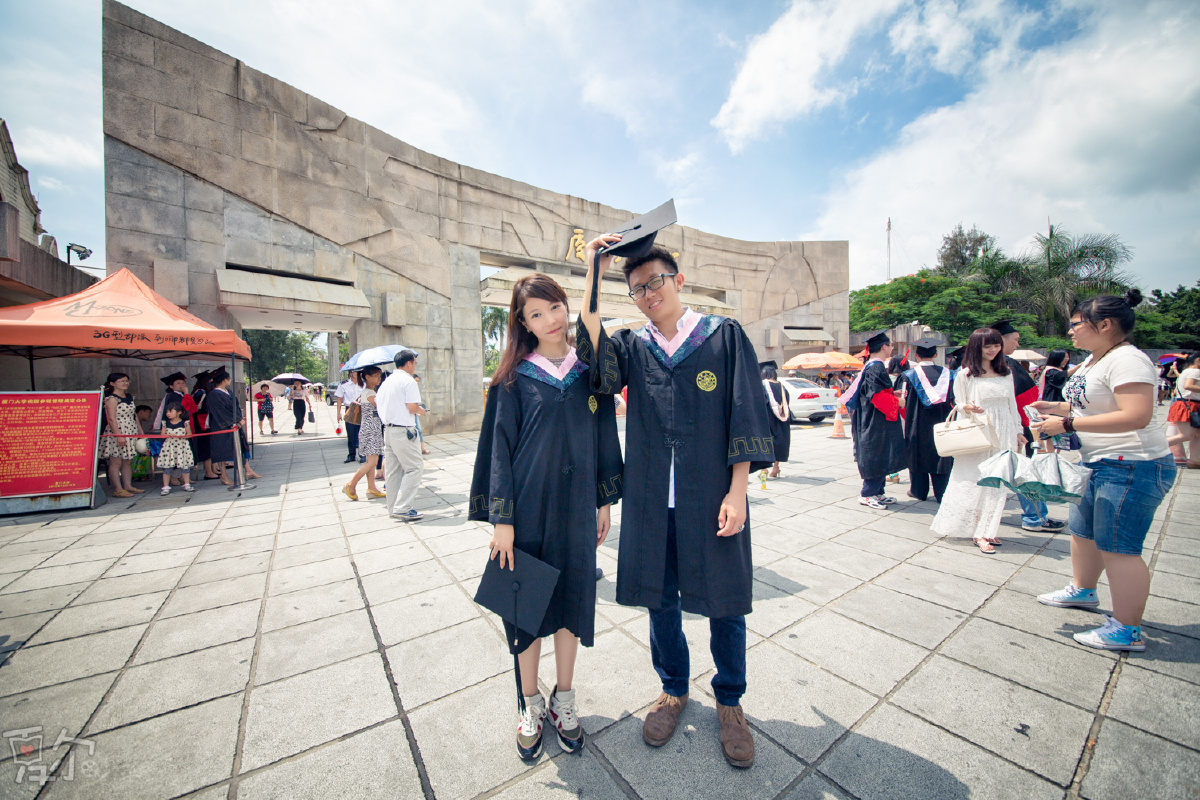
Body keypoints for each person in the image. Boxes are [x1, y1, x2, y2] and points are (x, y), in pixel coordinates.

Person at [580, 237, 772, 769]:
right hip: (651, 501)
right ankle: (672, 689)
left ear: (678, 281)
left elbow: (744, 410)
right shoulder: (632, 346)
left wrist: (738, 491)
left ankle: (730, 701)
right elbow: (592, 355)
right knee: (660, 601)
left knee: (725, 601)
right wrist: (594, 269)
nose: (648, 294)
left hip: (711, 497)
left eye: (656, 282)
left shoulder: (722, 336)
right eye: (637, 288)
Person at [469, 273, 623, 761]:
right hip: (528, 512)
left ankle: (565, 699)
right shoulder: (513, 379)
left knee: (572, 604)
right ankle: (530, 703)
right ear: (523, 322)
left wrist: (603, 500)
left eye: (555, 307)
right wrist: (502, 520)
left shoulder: (588, 372)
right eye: (536, 314)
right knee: (526, 610)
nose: (550, 319)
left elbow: (603, 436)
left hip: (576, 508)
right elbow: (499, 451)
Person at [1032, 292, 1177, 651]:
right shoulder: (1093, 360)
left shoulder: (1128, 360)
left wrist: (1067, 423)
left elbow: (1136, 415)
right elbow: (1092, 405)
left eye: (1076, 324)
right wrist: (1055, 407)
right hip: (1097, 461)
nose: (1070, 331)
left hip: (1131, 464)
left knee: (1119, 547)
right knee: (1083, 532)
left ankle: (1127, 629)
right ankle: (1083, 589)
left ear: (1106, 325)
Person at [931, 328, 1026, 554]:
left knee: (998, 482)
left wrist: (1018, 431)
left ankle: (987, 529)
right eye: (987, 346)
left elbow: (1012, 405)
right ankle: (978, 530)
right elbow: (959, 403)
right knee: (975, 480)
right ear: (977, 348)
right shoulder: (966, 375)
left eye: (996, 345)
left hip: (1004, 431)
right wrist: (968, 407)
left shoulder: (1006, 373)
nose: (993, 350)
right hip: (980, 431)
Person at [992, 320, 1066, 534]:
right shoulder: (1006, 365)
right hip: (1015, 426)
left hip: (999, 427)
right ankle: (1035, 517)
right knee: (1026, 473)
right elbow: (1025, 399)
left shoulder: (983, 364)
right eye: (1015, 339)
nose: (1018, 344)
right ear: (1001, 339)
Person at [844, 331, 907, 509]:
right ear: (884, 346)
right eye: (891, 345)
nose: (892, 349)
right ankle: (868, 494)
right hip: (874, 420)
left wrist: (892, 394)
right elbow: (877, 397)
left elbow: (875, 392)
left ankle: (878, 492)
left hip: (873, 418)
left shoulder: (872, 367)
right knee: (876, 453)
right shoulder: (875, 368)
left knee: (881, 452)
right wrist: (898, 402)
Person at [899, 338, 955, 503]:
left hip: (916, 424)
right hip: (942, 422)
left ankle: (918, 491)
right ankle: (942, 492)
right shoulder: (948, 375)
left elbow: (902, 401)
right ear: (936, 355)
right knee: (941, 454)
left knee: (917, 455)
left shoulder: (908, 376)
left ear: (916, 356)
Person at [377, 350, 427, 521]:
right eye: (415, 363)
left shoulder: (387, 381)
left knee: (393, 472)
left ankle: (393, 508)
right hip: (403, 430)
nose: (415, 367)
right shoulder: (408, 381)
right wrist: (422, 411)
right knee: (415, 467)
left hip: (388, 430)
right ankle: (403, 507)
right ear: (408, 363)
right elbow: (412, 407)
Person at [343, 367, 386, 500]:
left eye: (379, 375)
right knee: (372, 462)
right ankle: (351, 485)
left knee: (371, 461)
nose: (379, 378)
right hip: (371, 430)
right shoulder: (370, 393)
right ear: (367, 377)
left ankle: (371, 488)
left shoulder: (368, 392)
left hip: (370, 429)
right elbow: (382, 407)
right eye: (376, 375)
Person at [99, 373, 142, 497]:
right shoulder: (112, 399)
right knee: (116, 462)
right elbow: (111, 419)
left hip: (131, 430)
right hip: (118, 431)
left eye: (127, 381)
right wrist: (119, 435)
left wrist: (140, 432)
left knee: (128, 460)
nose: (125, 383)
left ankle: (128, 485)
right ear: (112, 383)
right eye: (121, 381)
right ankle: (118, 489)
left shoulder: (129, 397)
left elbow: (134, 416)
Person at [205, 368, 242, 485]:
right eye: (229, 378)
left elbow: (236, 407)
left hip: (233, 425)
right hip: (220, 425)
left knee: (235, 448)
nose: (230, 380)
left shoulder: (228, 392)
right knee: (221, 451)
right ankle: (224, 475)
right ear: (225, 380)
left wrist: (238, 419)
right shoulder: (213, 395)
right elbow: (220, 412)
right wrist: (235, 420)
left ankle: (240, 473)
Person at [1165, 352, 1200, 468]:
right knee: (1185, 435)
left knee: (1197, 434)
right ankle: (1153, 446)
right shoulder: (1195, 371)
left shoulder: (1186, 371)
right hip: (1189, 404)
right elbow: (1188, 386)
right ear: (1198, 360)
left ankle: (1195, 460)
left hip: (1186, 404)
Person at [157, 400, 195, 496]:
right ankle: (165, 486)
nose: (168, 413)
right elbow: (162, 435)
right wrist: (169, 435)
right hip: (169, 447)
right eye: (167, 412)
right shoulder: (165, 423)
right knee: (167, 467)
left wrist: (180, 436)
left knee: (184, 466)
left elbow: (189, 434)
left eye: (171, 411)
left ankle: (187, 484)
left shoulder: (185, 423)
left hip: (182, 447)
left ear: (179, 412)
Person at [760, 361, 790, 479]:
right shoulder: (782, 387)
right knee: (778, 443)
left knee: (765, 443)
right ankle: (776, 467)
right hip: (781, 420)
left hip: (767, 420)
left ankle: (764, 470)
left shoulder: (763, 386)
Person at [336, 372, 363, 463]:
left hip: (361, 409)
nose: (358, 373)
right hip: (350, 409)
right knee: (350, 433)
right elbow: (339, 399)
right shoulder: (344, 385)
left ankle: (362, 454)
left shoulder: (363, 384)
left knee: (361, 433)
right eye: (355, 372)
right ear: (351, 373)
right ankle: (351, 455)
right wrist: (338, 413)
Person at [413, 374, 432, 455]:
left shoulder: (415, 390)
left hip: (414, 413)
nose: (417, 382)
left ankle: (422, 448)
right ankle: (421, 448)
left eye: (418, 381)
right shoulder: (409, 390)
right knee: (417, 430)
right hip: (411, 413)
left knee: (419, 430)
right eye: (415, 380)